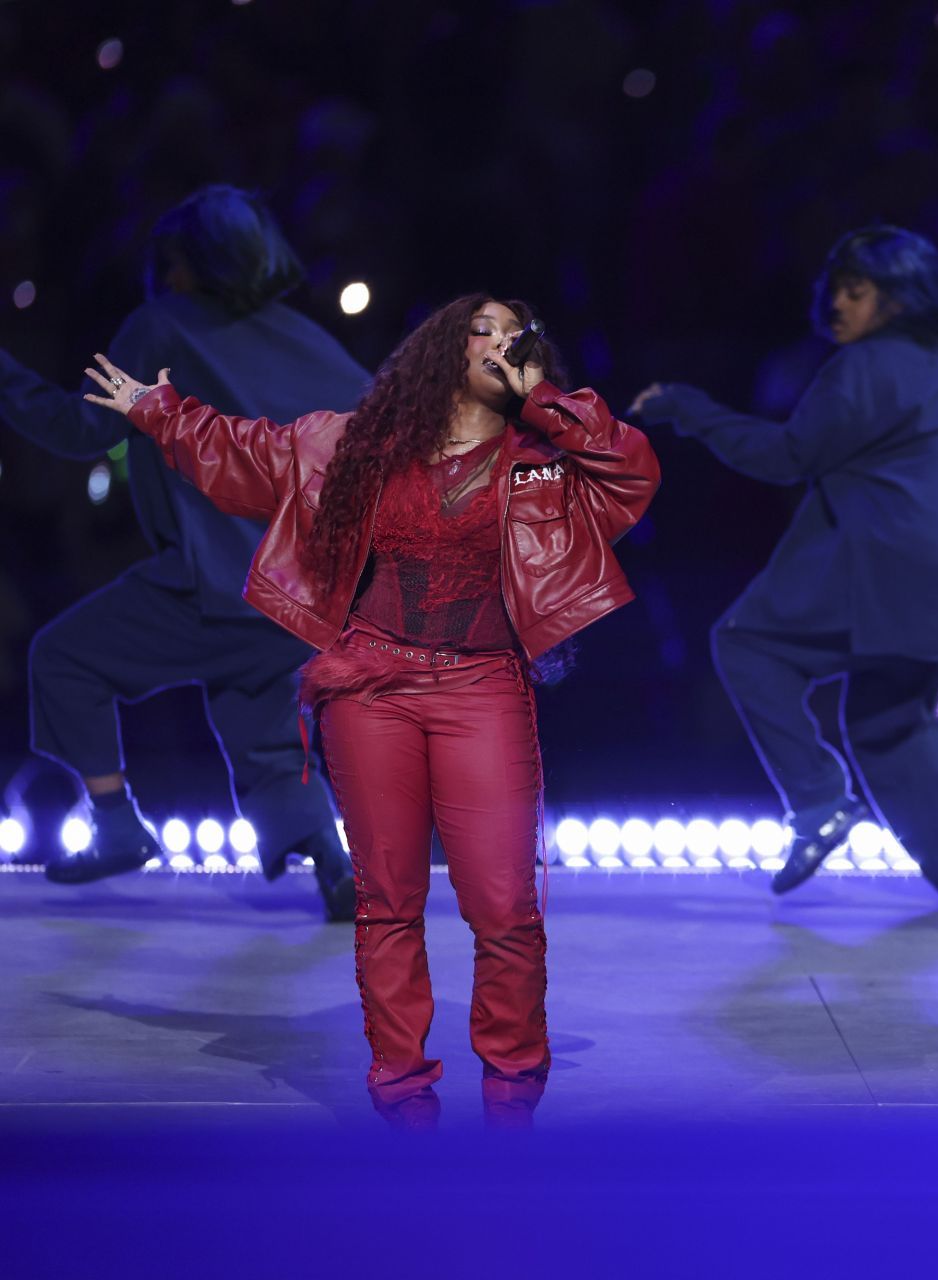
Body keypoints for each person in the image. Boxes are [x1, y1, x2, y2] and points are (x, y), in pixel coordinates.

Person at [81, 294, 660, 1126]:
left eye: (516, 335)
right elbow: (250, 454)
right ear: (441, 352)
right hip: (369, 687)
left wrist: (545, 401)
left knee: (503, 906)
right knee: (387, 901)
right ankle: (402, 1097)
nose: (501, 344)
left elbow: (633, 469)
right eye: (482, 331)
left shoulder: (544, 460)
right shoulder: (351, 446)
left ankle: (510, 1102)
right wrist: (159, 411)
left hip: (482, 687)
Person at [634, 226, 938, 913]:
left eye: (857, 290)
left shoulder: (865, 369)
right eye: (836, 291)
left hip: (897, 574)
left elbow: (786, 457)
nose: (839, 305)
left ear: (901, 296)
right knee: (891, 713)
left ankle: (818, 802)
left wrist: (686, 409)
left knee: (748, 645)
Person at [0, 186, 366, 917]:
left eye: (168, 264)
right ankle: (334, 868)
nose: (162, 279)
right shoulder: (304, 336)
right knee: (266, 736)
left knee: (65, 660)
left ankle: (115, 825)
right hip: (305, 595)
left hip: (218, 581)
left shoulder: (161, 327)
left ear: (192, 266)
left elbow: (82, 432)